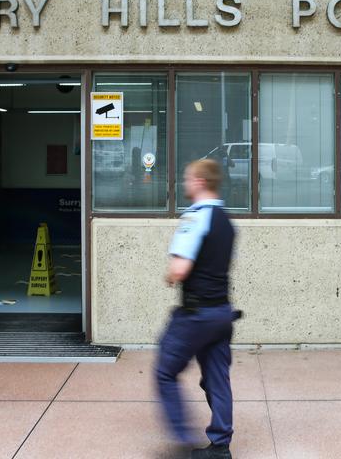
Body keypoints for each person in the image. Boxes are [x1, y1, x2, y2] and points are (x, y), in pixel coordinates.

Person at [156, 158, 238, 459]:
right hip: (222, 312)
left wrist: (168, 275)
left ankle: (181, 439)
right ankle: (220, 446)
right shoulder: (227, 221)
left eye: (188, 179)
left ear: (201, 182)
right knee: (218, 378)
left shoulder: (195, 217)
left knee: (165, 371)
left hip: (196, 314)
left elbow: (180, 269)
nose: (185, 183)